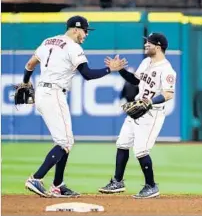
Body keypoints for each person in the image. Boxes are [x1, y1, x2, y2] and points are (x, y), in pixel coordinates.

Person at [24, 15, 127, 198]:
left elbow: (30, 64)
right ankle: (36, 178)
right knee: (65, 142)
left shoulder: (47, 41)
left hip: (42, 93)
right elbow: (87, 74)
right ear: (75, 29)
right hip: (54, 94)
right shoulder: (73, 47)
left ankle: (58, 185)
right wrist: (109, 69)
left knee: (65, 141)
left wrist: (25, 83)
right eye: (85, 31)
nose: (86, 34)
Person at [99, 33, 176, 198]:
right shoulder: (146, 62)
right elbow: (135, 81)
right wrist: (120, 70)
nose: (146, 45)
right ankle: (117, 182)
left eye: (149, 43)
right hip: (138, 108)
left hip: (152, 113)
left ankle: (151, 186)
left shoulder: (167, 69)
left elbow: (168, 94)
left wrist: (150, 102)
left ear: (158, 46)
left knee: (141, 150)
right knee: (122, 143)